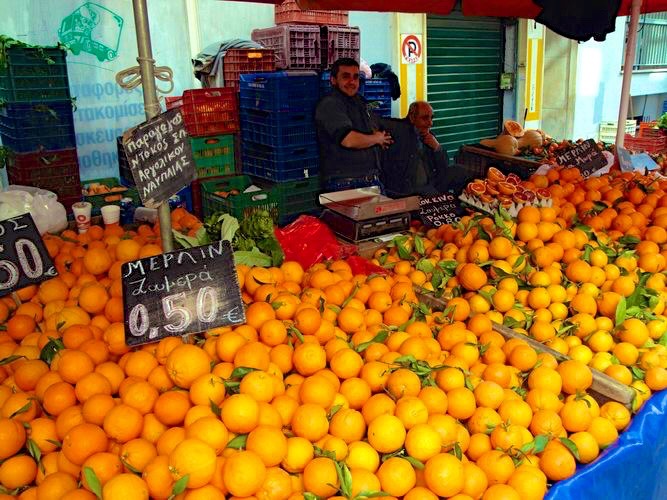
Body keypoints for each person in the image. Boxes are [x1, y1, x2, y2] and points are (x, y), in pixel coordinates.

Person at [315, 58, 393, 192]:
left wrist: (379, 137)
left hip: (369, 179)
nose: (352, 82)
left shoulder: (359, 102)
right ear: (333, 80)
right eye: (345, 77)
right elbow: (349, 140)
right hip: (346, 183)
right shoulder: (330, 104)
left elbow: (371, 129)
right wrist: (376, 139)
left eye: (355, 77)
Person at [381, 101, 451, 197]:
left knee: (459, 171)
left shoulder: (429, 137)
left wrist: (437, 148)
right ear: (412, 117)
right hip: (407, 193)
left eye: (431, 118)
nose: (430, 123)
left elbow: (444, 168)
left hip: (429, 187)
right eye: (425, 118)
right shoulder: (397, 133)